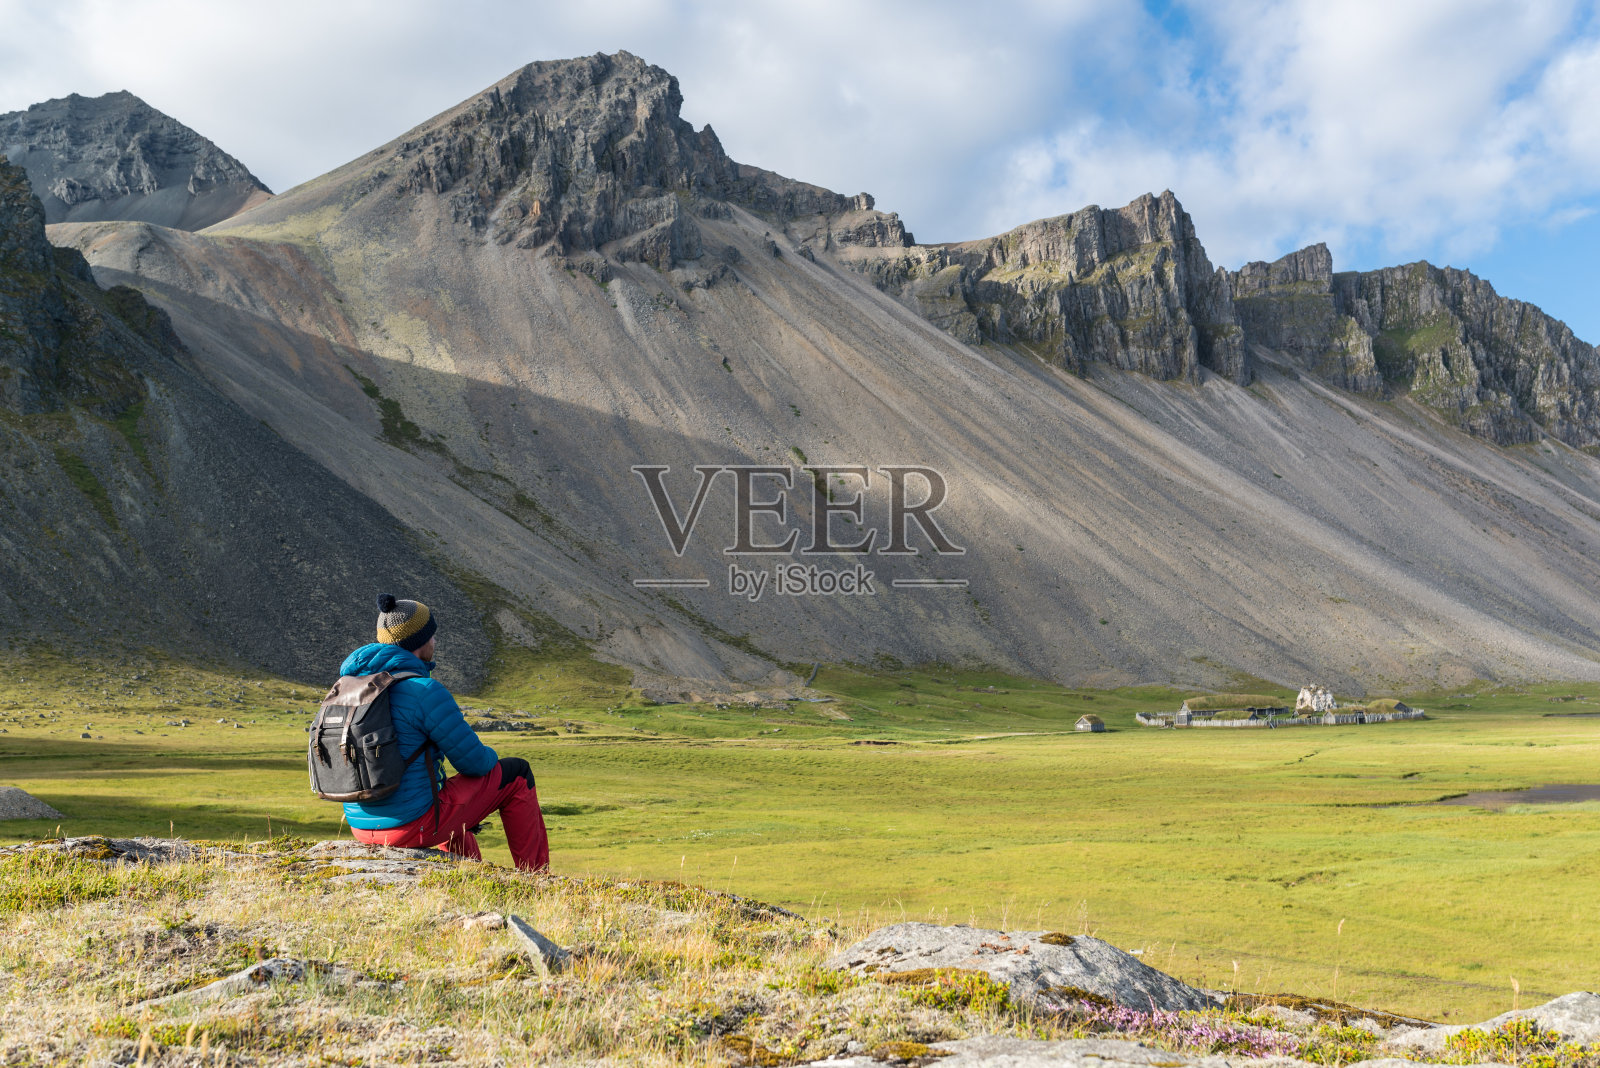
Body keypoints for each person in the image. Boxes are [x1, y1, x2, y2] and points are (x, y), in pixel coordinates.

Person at [342, 593, 549, 871]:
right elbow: (474, 763)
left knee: (438, 790)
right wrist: (491, 759)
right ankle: (536, 876)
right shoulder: (424, 691)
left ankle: (469, 874)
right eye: (431, 635)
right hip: (410, 827)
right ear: (419, 641)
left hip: (361, 826)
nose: (435, 641)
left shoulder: (350, 686)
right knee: (517, 774)